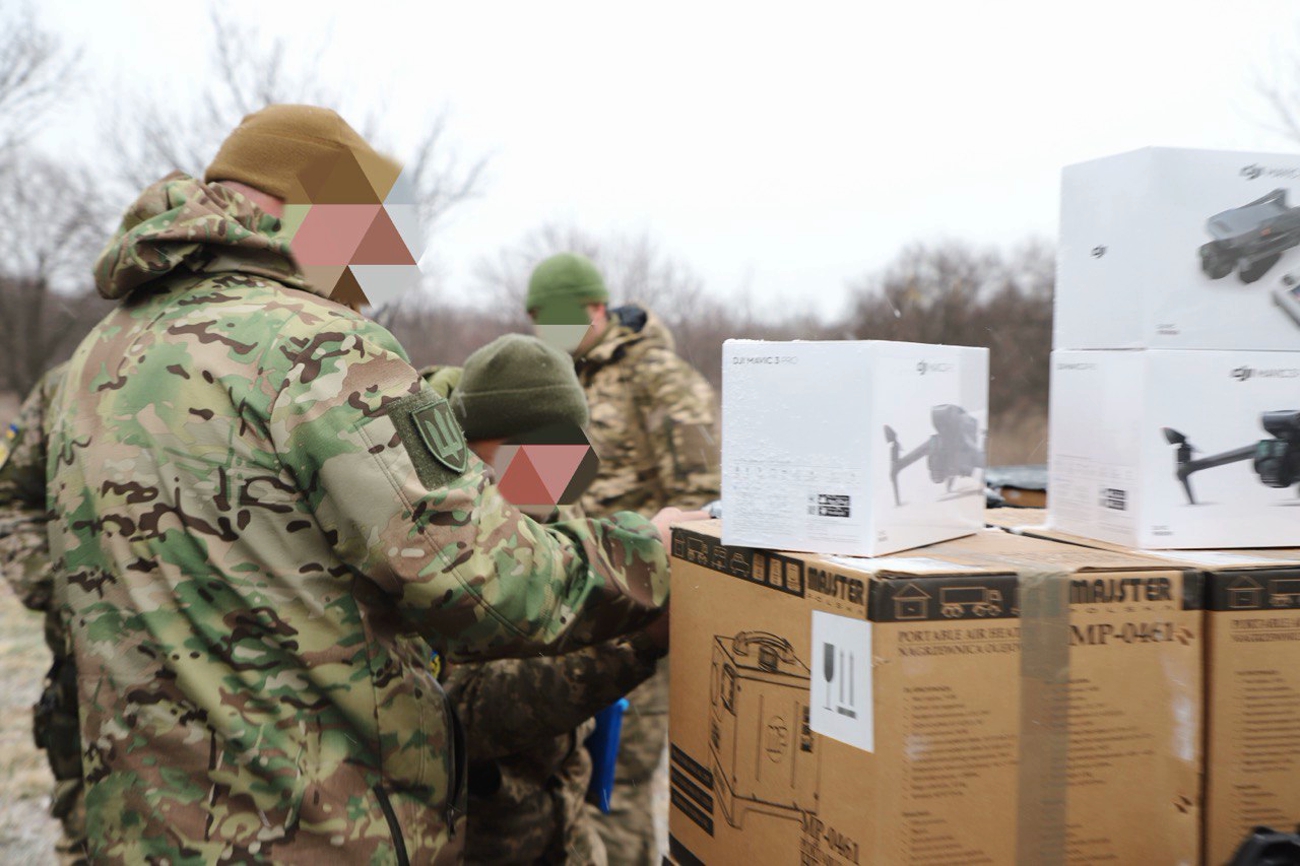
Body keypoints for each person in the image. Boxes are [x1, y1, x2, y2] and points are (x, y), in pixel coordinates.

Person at [34, 104, 687, 863]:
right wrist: (658, 552)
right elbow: (485, 588)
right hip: (307, 836)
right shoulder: (315, 347)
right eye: (368, 226)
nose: (369, 268)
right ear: (316, 204)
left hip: (143, 830)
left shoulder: (98, 355)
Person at [423, 334, 670, 865]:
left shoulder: (542, 513)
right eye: (528, 454)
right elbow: (465, 711)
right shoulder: (433, 527)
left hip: (563, 832)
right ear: (472, 446)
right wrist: (636, 645)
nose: (549, 474)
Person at [526, 253, 720, 864]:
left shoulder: (658, 378)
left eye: (553, 317)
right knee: (577, 777)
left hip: (639, 610)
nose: (544, 330)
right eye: (535, 319)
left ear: (594, 309)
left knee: (621, 783)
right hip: (575, 603)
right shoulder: (568, 377)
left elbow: (703, 503)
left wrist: (657, 598)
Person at [0, 363, 87, 866]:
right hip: (93, 671)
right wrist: (57, 588)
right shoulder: (70, 380)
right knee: (91, 838)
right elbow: (11, 495)